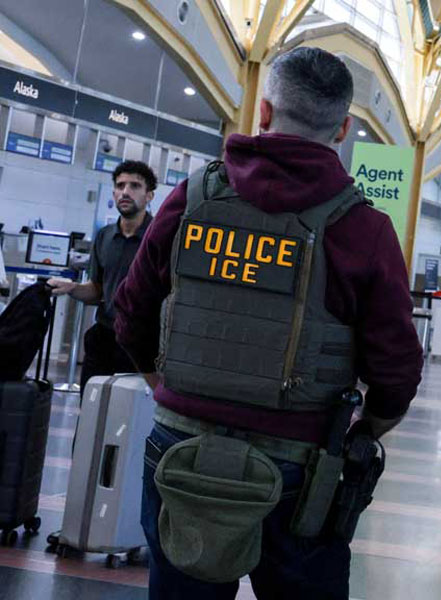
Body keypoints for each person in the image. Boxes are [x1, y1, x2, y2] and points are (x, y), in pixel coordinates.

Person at [114, 46, 422, 599]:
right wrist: (368, 427)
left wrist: (168, 387)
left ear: (263, 111)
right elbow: (397, 370)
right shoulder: (364, 228)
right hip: (300, 470)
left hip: (181, 450)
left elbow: (131, 312)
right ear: (343, 128)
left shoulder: (195, 197)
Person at [48, 161, 156, 396]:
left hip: (142, 343)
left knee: (129, 418)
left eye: (135, 186)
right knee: (90, 409)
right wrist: (72, 287)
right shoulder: (105, 236)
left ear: (149, 195)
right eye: (120, 185)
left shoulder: (160, 236)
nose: (125, 192)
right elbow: (98, 290)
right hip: (105, 337)